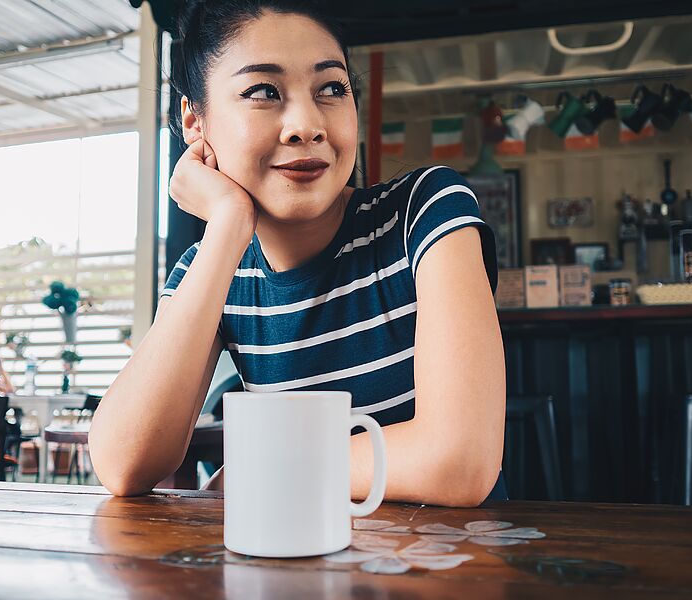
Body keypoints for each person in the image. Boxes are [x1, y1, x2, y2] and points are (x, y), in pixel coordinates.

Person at [89, 0, 506, 506]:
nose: (306, 125)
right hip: (293, 570)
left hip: (445, 572)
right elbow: (123, 463)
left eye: (331, 88)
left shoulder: (425, 210)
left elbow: (458, 462)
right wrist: (227, 226)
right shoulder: (212, 269)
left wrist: (260, 467)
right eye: (264, 91)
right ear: (195, 124)